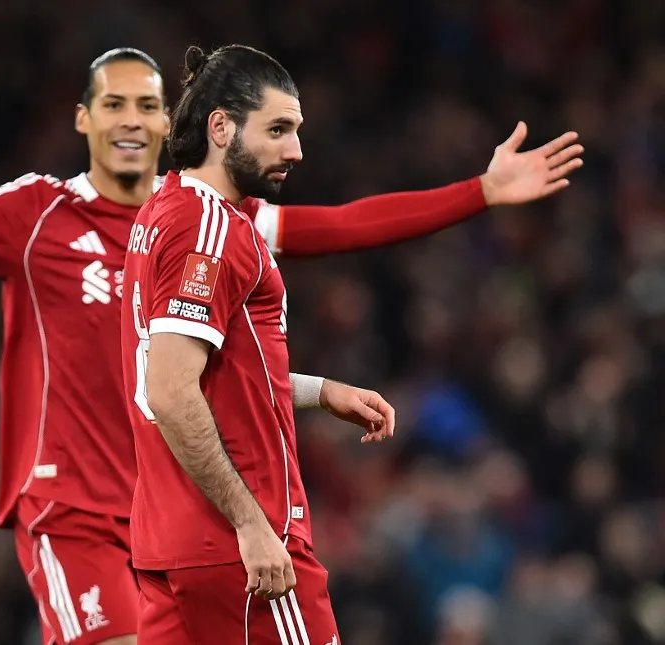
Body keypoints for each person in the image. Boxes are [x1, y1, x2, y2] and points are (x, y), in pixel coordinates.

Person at [0, 45, 581, 645]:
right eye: (111, 103)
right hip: (74, 506)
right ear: (82, 118)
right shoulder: (34, 214)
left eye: (147, 104)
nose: (130, 118)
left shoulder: (188, 217)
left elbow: (337, 226)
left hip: (171, 506)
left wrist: (476, 193)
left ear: (169, 120)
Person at [120, 43, 579, 645]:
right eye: (279, 129)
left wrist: (317, 391)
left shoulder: (169, 214)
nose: (297, 150)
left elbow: (342, 227)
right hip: (237, 542)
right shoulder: (206, 229)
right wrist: (252, 525)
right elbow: (173, 390)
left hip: (171, 540)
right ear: (221, 127)